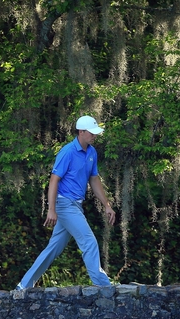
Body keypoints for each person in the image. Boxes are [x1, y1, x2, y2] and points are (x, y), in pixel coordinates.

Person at [16, 115, 115, 290]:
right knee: (88, 241)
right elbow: (54, 180)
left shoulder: (91, 152)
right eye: (92, 133)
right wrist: (51, 209)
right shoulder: (67, 152)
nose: (95, 136)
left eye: (95, 133)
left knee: (53, 248)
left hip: (76, 205)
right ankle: (103, 286)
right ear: (81, 132)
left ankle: (23, 286)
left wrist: (106, 205)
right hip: (65, 204)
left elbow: (94, 179)